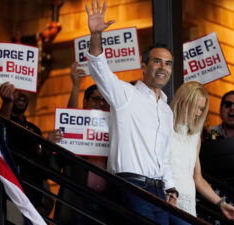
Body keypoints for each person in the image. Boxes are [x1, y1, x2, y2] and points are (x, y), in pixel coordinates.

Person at [85, 1, 177, 224]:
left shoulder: (166, 109)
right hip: (130, 186)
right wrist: (96, 36)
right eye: (157, 61)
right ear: (144, 66)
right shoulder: (125, 94)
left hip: (159, 191)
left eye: (168, 64)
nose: (163, 68)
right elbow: (100, 69)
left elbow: (163, 156)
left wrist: (171, 186)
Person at [169, 81, 234, 225]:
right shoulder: (165, 126)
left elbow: (198, 178)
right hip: (168, 199)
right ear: (183, 102)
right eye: (196, 107)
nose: (198, 113)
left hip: (188, 202)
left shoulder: (194, 135)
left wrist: (221, 203)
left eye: (201, 109)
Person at [53, 62, 110, 225]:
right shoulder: (76, 129)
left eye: (105, 100)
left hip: (107, 202)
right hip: (77, 200)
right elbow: (70, 118)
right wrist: (76, 86)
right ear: (85, 102)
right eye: (96, 99)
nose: (101, 103)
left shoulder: (114, 128)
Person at [0, 82, 55, 216]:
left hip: (34, 198)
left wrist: (47, 145)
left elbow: (42, 168)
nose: (22, 94)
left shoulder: (34, 129)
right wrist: (7, 102)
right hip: (9, 194)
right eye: (17, 89)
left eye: (26, 88)